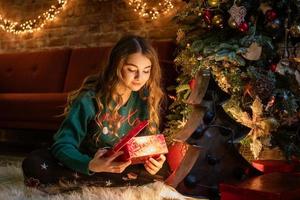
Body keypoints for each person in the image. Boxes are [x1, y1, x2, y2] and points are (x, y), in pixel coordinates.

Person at [21, 35, 170, 193]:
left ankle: (81, 182)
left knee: (164, 169)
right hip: (84, 162)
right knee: (34, 164)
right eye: (132, 70)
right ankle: (97, 179)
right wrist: (90, 165)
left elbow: (148, 146)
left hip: (121, 167)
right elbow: (62, 145)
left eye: (146, 71)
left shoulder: (145, 99)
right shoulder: (90, 99)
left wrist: (153, 161)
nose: (140, 78)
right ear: (117, 67)